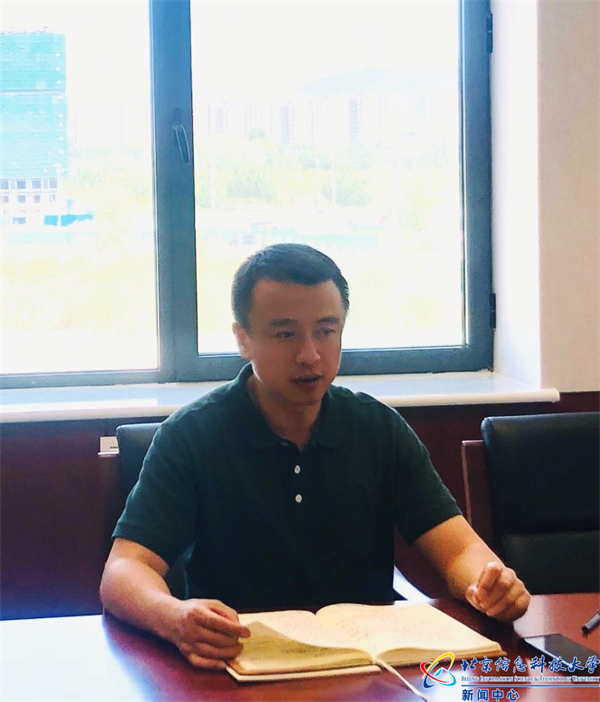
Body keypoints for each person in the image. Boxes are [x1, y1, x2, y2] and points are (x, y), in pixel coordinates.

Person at [100, 243, 530, 670]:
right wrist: (173, 616)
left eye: (326, 330)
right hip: (238, 667)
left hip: (367, 671)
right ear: (243, 339)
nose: (310, 355)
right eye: (286, 334)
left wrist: (488, 585)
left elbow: (458, 551)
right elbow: (124, 570)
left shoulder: (379, 429)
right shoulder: (191, 436)